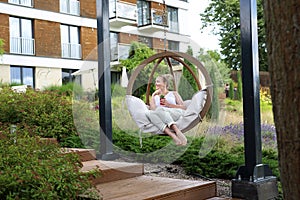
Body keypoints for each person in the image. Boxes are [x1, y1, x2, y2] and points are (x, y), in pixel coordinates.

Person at [146, 74, 188, 146]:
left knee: (159, 109)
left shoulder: (174, 93)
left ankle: (177, 131)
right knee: (150, 114)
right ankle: (173, 136)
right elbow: (153, 110)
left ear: (165, 83)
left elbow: (184, 108)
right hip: (162, 116)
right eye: (155, 81)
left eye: (158, 81)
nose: (156, 83)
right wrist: (153, 95)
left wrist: (169, 105)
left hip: (175, 113)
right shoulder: (155, 96)